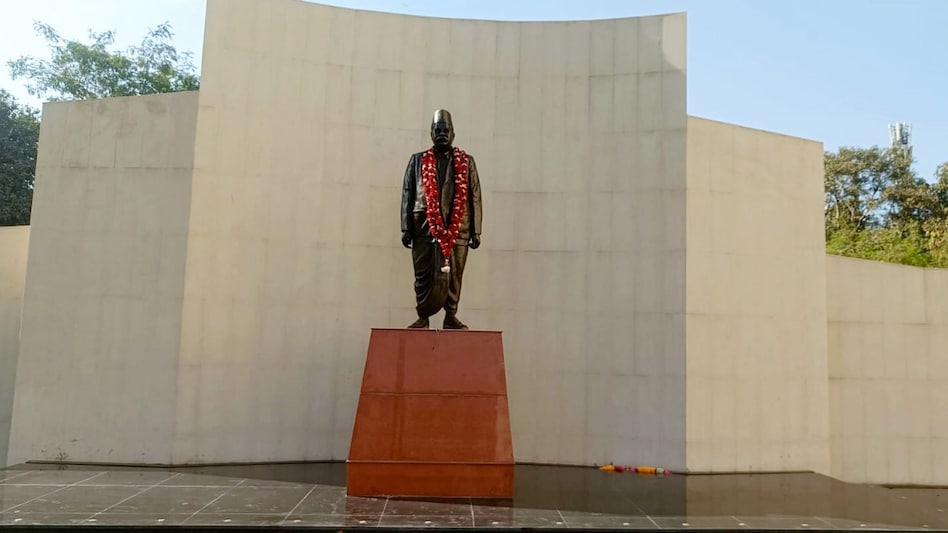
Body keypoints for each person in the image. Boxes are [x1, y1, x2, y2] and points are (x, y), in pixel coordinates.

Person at [400, 109, 482, 329]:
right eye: (438, 131)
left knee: (455, 275)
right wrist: (405, 227)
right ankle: (423, 316)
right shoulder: (417, 160)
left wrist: (476, 230)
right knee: (423, 274)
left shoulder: (467, 162)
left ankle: (450, 315)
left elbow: (474, 196)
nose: (442, 134)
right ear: (431, 134)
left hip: (459, 228)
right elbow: (408, 192)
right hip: (424, 227)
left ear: (453, 134)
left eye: (446, 131)